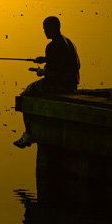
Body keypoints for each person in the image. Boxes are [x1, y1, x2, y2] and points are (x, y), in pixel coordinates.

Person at [14, 16, 80, 148]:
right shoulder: (68, 42)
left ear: (51, 28)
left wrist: (41, 72)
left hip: (59, 85)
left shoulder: (51, 46)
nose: (44, 31)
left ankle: (29, 133)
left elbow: (52, 73)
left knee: (26, 94)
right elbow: (62, 62)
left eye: (45, 29)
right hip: (72, 84)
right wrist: (45, 59)